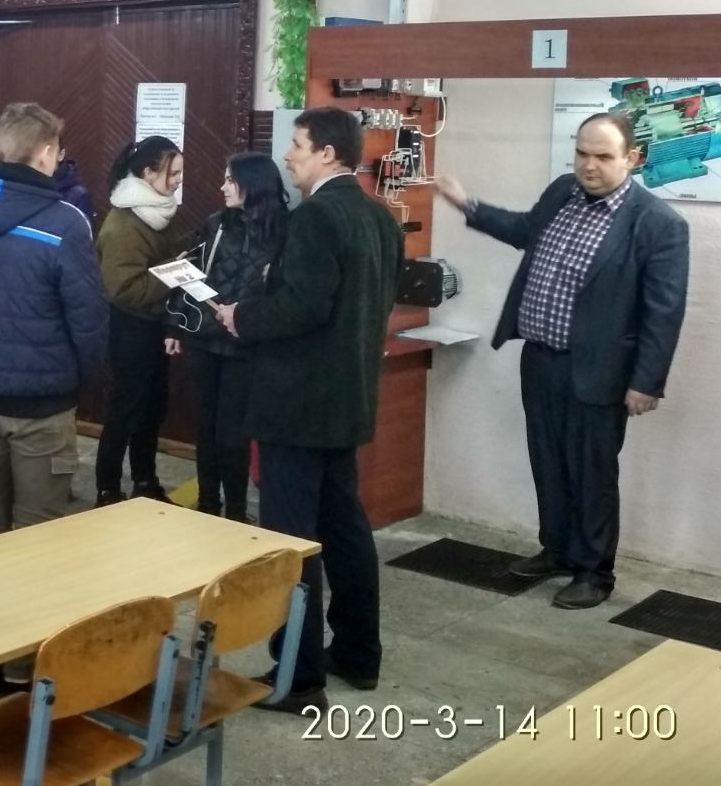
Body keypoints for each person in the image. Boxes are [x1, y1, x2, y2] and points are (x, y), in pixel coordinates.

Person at [436, 112, 688, 610]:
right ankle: (557, 550)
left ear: (633, 158)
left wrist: (646, 382)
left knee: (592, 472)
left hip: (600, 371)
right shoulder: (561, 193)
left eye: (603, 156)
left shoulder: (658, 223)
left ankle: (594, 572)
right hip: (541, 359)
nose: (589, 166)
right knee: (547, 460)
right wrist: (468, 204)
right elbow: (524, 230)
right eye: (582, 154)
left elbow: (664, 312)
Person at [213, 106, 401, 713]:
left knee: (291, 542)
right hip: (346, 400)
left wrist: (241, 315)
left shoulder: (317, 216)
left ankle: (298, 675)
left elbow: (302, 307)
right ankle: (358, 652)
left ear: (327, 153)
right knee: (344, 529)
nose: (288, 155)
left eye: (297, 145)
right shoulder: (379, 217)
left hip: (297, 403)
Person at [0, 101, 107, 708]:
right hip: (41, 406)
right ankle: (23, 672)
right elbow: (88, 320)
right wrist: (84, 382)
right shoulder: (65, 223)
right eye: (57, 150)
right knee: (38, 539)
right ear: (45, 154)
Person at [173, 152, 289, 523]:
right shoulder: (216, 223)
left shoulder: (283, 230)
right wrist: (174, 325)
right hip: (205, 339)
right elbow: (191, 274)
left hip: (247, 344)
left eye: (230, 180)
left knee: (234, 432)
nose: (222, 187)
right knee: (206, 426)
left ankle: (236, 512)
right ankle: (208, 503)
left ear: (252, 183)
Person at [93, 136, 185, 506]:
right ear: (148, 173)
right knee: (126, 408)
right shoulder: (124, 224)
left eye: (180, 172)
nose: (178, 180)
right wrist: (177, 272)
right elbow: (124, 288)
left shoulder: (159, 211)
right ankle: (107, 489)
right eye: (172, 173)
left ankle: (145, 481)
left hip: (155, 323)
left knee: (152, 407)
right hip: (129, 326)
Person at [52, 147, 95, 228]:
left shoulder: (78, 195)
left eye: (48, 151)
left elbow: (83, 232)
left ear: (61, 154)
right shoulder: (32, 186)